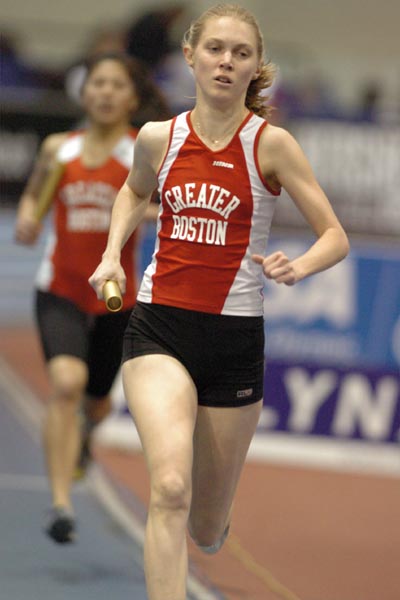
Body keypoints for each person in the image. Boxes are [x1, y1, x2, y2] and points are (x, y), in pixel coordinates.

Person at [89, 4, 350, 599]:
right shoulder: (159, 137)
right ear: (190, 55)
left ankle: (211, 524)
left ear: (256, 67)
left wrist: (299, 265)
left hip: (234, 341)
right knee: (169, 488)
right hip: (159, 328)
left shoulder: (273, 145)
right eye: (215, 49)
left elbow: (334, 235)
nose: (226, 62)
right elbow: (132, 195)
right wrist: (111, 254)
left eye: (241, 53)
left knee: (206, 527)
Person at [14, 51, 170, 545]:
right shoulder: (59, 148)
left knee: (98, 401)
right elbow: (33, 196)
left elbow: (166, 209)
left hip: (114, 296)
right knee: (66, 382)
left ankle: (85, 435)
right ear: (85, 93)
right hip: (59, 286)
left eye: (116, 85)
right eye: (97, 84)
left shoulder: (143, 152)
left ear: (132, 97)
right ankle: (61, 504)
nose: (104, 92)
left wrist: (137, 214)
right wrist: (26, 216)